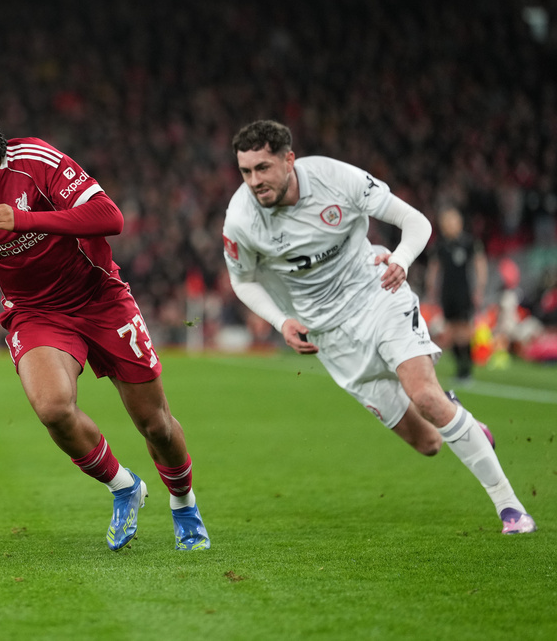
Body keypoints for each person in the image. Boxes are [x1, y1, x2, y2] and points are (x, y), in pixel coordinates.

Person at [0, 100, 210, 551]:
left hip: (102, 300)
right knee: (53, 409)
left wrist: (26, 219)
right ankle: (124, 487)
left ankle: (184, 503)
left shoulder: (37, 162)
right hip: (35, 313)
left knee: (156, 425)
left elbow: (110, 218)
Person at [221, 119, 536, 535]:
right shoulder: (241, 219)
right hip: (330, 336)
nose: (254, 182)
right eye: (246, 172)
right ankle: (461, 417)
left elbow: (417, 222)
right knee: (429, 443)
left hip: (377, 294)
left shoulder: (336, 179)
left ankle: (510, 508)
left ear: (288, 160)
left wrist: (401, 261)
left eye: (263, 168)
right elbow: (242, 280)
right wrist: (281, 321)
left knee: (425, 395)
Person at [425, 207, 487, 382]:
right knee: (451, 330)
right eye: (447, 222)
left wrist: (479, 288)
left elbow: (479, 263)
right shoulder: (440, 244)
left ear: (459, 223)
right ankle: (460, 368)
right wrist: (431, 287)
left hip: (463, 290)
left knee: (464, 329)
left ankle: (467, 368)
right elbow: (434, 267)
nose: (450, 225)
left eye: (453, 221)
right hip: (447, 291)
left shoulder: (468, 242)